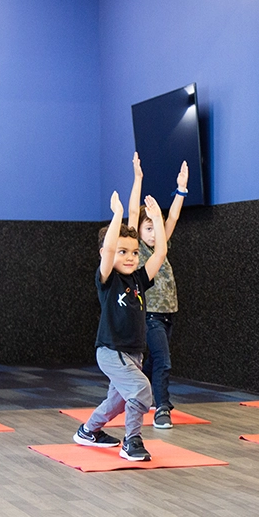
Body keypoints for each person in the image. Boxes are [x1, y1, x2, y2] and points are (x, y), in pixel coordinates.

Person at [74, 189, 167, 462]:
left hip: (134, 354)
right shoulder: (107, 279)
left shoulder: (139, 279)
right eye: (123, 252)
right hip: (112, 351)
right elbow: (110, 249)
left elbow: (160, 251)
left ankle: (88, 430)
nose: (129, 257)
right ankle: (132, 440)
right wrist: (117, 216)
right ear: (108, 253)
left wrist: (157, 221)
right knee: (141, 391)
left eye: (135, 252)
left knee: (117, 401)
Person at [126, 154, 189, 429]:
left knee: (152, 364)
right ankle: (162, 407)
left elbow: (173, 216)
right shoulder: (139, 252)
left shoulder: (162, 245)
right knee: (163, 360)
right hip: (149, 314)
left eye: (156, 228)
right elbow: (131, 213)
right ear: (139, 231)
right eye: (148, 227)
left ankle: (139, 394)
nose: (153, 232)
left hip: (168, 314)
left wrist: (181, 189)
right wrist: (138, 179)